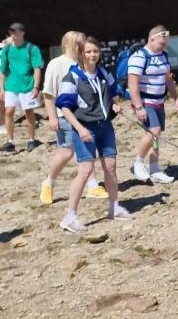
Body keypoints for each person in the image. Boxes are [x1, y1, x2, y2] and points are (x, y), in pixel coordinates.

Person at [56, 36, 132, 233]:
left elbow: (113, 91)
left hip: (105, 126)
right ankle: (70, 216)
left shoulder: (103, 72)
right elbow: (65, 107)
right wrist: (80, 130)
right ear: (81, 53)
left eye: (95, 51)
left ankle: (114, 208)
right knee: (85, 169)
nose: (92, 55)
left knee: (111, 166)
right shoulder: (72, 76)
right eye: (88, 52)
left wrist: (114, 104)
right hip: (84, 127)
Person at [41, 30, 107, 205]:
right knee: (66, 152)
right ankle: (49, 182)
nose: (82, 43)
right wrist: (52, 117)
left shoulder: (84, 62)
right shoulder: (57, 64)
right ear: (68, 44)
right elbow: (49, 93)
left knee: (87, 150)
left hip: (85, 116)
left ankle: (92, 185)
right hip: (65, 115)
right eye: (79, 41)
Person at [127, 26, 178, 183]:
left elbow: (168, 79)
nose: (164, 45)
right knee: (154, 130)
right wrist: (138, 107)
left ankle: (155, 169)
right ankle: (137, 163)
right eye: (161, 42)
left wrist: (175, 97)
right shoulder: (139, 57)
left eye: (165, 42)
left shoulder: (164, 56)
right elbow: (132, 83)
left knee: (156, 136)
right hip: (145, 101)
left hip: (159, 101)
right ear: (152, 39)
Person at [0, 22, 43, 153]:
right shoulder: (6, 50)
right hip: (11, 85)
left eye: (16, 32)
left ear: (22, 33)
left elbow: (37, 69)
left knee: (29, 113)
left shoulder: (32, 48)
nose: (13, 34)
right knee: (9, 112)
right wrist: (1, 88)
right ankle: (10, 141)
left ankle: (31, 140)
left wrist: (36, 87)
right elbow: (2, 71)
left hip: (27, 85)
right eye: (11, 32)